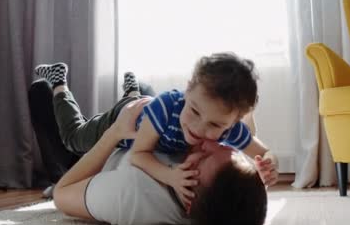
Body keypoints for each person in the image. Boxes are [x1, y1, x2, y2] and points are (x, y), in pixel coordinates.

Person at [33, 52, 279, 208]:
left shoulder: (230, 129)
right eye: (193, 110)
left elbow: (264, 152)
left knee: (144, 103)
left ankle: (134, 90)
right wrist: (169, 176)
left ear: (234, 121)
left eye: (214, 125)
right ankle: (59, 83)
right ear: (187, 90)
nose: (198, 128)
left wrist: (267, 165)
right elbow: (139, 155)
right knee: (74, 139)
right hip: (124, 121)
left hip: (145, 112)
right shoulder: (166, 109)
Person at [51, 97, 267, 225]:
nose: (208, 140)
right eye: (225, 146)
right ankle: (133, 88)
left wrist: (115, 132)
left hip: (95, 151)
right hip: (147, 119)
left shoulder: (127, 195)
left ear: (189, 198)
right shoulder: (221, 203)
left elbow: (61, 194)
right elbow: (246, 135)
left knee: (69, 131)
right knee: (145, 94)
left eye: (202, 156)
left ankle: (58, 86)